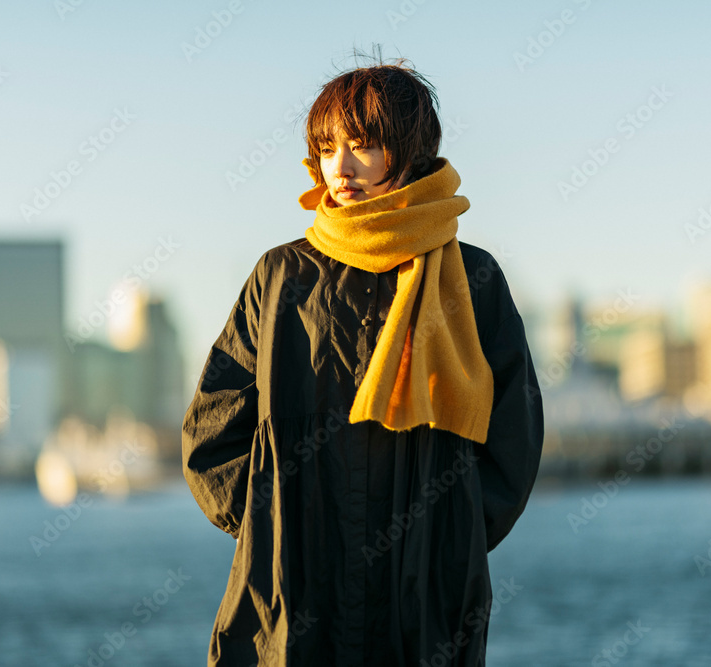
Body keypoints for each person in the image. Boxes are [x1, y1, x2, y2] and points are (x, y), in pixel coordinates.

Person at [182, 59, 544, 666]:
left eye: (363, 145)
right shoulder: (281, 275)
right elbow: (210, 430)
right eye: (327, 149)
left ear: (408, 152)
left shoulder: (472, 277)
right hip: (291, 592)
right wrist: (276, 523)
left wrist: (450, 532)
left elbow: (515, 432)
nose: (340, 168)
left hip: (425, 596)